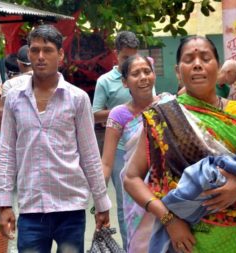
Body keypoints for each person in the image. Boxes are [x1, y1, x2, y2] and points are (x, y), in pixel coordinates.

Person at [124, 36, 236, 253]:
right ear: (178, 71)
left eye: (205, 58)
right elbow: (131, 178)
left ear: (218, 65)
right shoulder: (162, 116)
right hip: (184, 238)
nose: (197, 64)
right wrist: (169, 219)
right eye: (189, 59)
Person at [0, 24, 111, 253]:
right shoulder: (13, 100)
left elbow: (89, 154)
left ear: (60, 55)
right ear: (28, 54)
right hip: (31, 210)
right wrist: (4, 203)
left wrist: (102, 203)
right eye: (35, 50)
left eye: (47, 50)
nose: (40, 56)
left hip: (70, 209)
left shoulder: (77, 99)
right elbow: (7, 151)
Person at [102, 54, 169, 252]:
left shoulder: (168, 104)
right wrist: (100, 201)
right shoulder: (118, 114)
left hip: (169, 188)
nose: (143, 77)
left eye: (147, 71)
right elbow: (106, 162)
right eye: (135, 73)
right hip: (136, 191)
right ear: (125, 82)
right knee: (142, 244)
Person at [92, 30, 140, 248]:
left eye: (133, 56)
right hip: (119, 148)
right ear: (116, 54)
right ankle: (130, 246)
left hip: (143, 144)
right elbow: (94, 114)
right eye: (125, 58)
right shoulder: (105, 81)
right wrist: (121, 112)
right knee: (124, 202)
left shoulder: (142, 74)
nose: (130, 62)